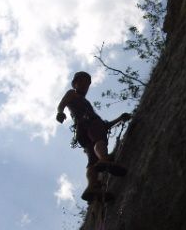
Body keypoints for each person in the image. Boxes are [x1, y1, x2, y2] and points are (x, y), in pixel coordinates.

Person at [56, 71, 131, 202]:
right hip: (89, 123)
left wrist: (120, 119)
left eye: (87, 83)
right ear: (74, 84)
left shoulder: (84, 102)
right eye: (82, 82)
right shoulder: (72, 93)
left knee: (92, 160)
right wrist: (60, 113)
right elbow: (62, 104)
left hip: (82, 131)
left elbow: (104, 125)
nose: (85, 85)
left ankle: (91, 187)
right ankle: (104, 159)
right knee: (99, 140)